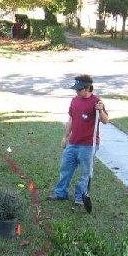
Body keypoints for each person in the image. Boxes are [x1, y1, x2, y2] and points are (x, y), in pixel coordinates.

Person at [48, 74, 109, 205]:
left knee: (85, 173)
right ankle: (60, 193)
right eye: (76, 89)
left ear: (87, 88)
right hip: (73, 142)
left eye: (79, 89)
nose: (76, 91)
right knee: (65, 169)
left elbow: (105, 121)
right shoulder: (74, 100)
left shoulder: (96, 102)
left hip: (88, 145)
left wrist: (101, 111)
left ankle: (80, 198)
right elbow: (71, 119)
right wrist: (65, 137)